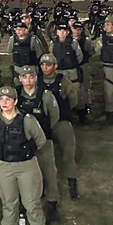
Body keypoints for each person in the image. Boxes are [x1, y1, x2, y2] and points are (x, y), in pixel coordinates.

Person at [0, 86, 50, 225]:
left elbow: (41, 140)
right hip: (4, 166)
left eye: (7, 99)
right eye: (1, 99)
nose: (4, 103)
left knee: (32, 203)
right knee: (8, 202)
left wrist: (25, 151)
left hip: (26, 166)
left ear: (15, 101)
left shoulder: (27, 120)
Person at [16, 65, 61, 222]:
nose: (28, 80)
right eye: (24, 77)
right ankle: (25, 206)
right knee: (23, 176)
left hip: (43, 142)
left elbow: (54, 116)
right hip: (22, 143)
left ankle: (52, 205)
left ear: (36, 78)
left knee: (49, 172)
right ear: (20, 79)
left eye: (31, 77)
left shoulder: (46, 96)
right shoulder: (16, 96)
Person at [39, 55, 80, 199]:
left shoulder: (64, 82)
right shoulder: (37, 81)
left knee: (68, 154)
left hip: (61, 121)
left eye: (48, 65)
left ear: (55, 66)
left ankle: (72, 185)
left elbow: (73, 100)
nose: (45, 67)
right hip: (43, 124)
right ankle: (43, 186)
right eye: (43, 65)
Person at [49, 24, 87, 124]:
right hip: (59, 72)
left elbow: (79, 57)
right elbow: (52, 57)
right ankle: (65, 115)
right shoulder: (53, 43)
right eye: (60, 30)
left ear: (68, 32)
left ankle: (82, 116)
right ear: (57, 32)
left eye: (64, 30)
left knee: (76, 93)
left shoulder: (73, 43)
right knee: (61, 94)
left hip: (72, 72)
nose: (62, 33)